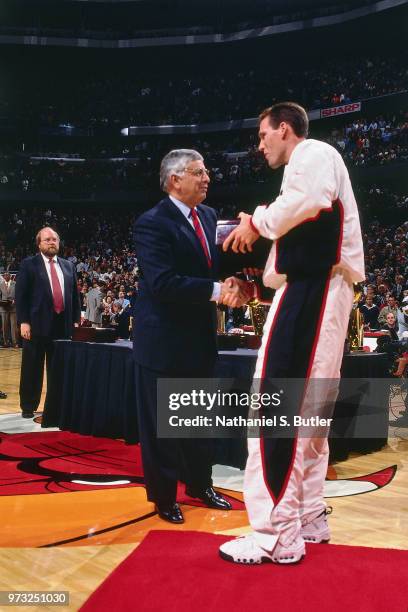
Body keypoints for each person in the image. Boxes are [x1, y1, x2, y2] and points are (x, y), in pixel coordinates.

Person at [219, 102, 365, 564]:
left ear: (285, 130)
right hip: (320, 290)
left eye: (263, 136)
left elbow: (306, 202)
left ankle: (275, 535)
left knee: (276, 408)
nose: (259, 146)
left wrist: (256, 221)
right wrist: (258, 284)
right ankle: (306, 517)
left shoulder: (312, 153)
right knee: (311, 417)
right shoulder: (307, 174)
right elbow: (303, 228)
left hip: (315, 291)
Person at [133, 148, 249, 524]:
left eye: (206, 172)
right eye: (199, 172)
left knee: (198, 420)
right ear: (174, 180)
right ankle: (164, 497)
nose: (207, 178)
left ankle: (201, 484)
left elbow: (217, 264)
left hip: (199, 338)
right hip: (163, 341)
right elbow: (163, 282)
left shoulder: (210, 215)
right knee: (162, 428)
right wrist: (218, 291)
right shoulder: (151, 223)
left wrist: (240, 279)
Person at [15, 227, 81, 418]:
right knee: (32, 368)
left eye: (54, 239)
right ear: (39, 244)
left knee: (59, 369)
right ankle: (28, 406)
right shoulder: (29, 264)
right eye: (47, 239)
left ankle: (56, 405)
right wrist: (24, 321)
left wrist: (76, 321)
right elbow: (21, 296)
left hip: (62, 325)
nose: (52, 242)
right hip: (36, 325)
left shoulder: (68, 266)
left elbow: (74, 297)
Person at [0, 272, 18, 347]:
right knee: (4, 326)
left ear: (10, 276)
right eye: (5, 275)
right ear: (3, 276)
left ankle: (15, 343)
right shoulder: (1, 284)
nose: (6, 276)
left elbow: (19, 294)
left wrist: (15, 300)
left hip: (13, 307)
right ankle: (5, 342)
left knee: (13, 326)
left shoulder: (15, 283)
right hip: (4, 307)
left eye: (8, 275)